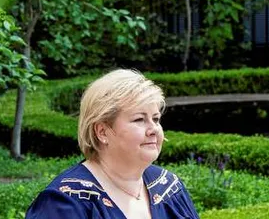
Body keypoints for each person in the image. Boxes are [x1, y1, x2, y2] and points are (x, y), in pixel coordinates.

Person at [25, 69, 200, 218]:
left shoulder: (168, 187)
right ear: (102, 132)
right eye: (139, 119)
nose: (153, 129)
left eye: (155, 119)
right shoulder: (65, 202)